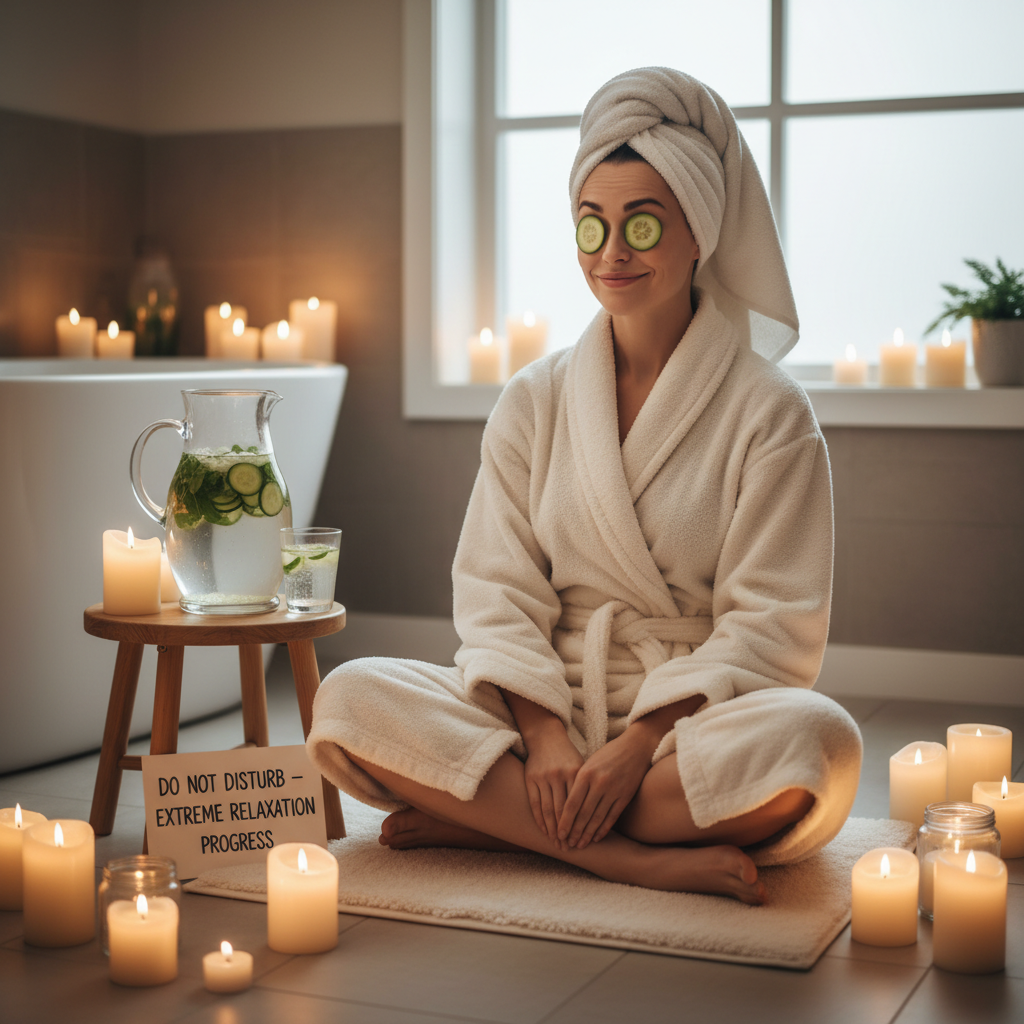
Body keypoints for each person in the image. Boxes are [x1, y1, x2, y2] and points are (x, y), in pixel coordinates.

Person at [307, 68, 862, 904]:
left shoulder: (769, 412)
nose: (612, 253)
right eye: (591, 226)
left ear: (699, 235)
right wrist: (547, 733)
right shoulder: (535, 397)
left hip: (684, 723)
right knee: (348, 699)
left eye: (642, 224)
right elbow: (496, 588)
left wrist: (637, 743)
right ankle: (623, 853)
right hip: (543, 707)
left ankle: (494, 821)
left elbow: (773, 626)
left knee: (817, 746)